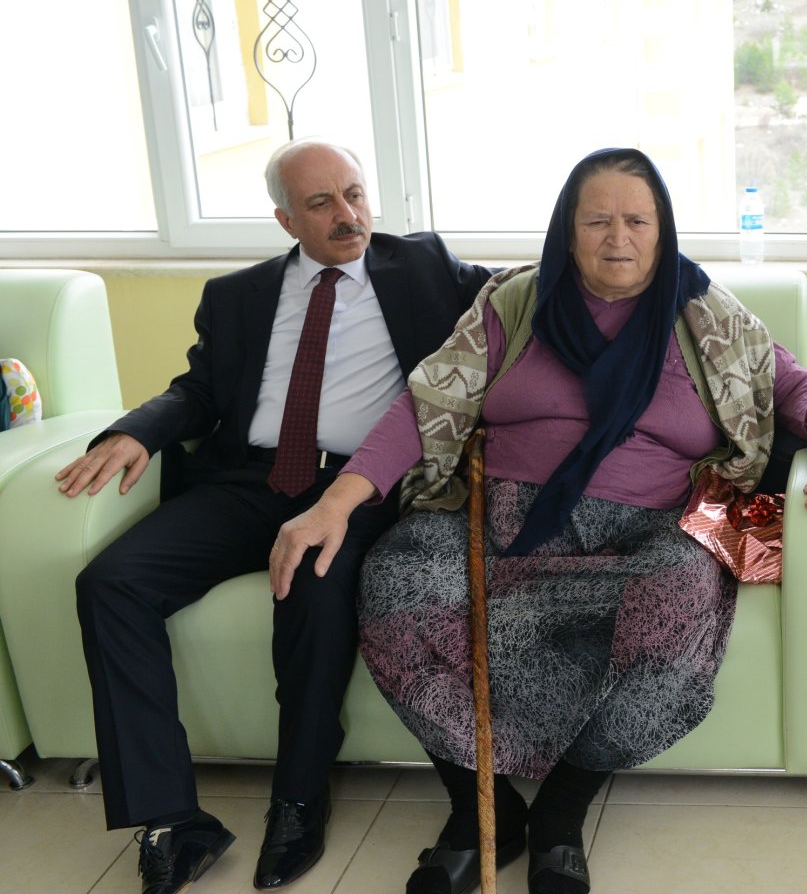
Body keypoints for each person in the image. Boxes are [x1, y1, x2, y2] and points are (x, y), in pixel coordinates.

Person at [272, 147, 807, 894]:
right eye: (597, 220)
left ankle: (561, 813)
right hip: (503, 523)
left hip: (649, 530)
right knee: (396, 578)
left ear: (663, 230)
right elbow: (426, 402)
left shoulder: (704, 314)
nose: (618, 238)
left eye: (638, 220)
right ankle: (480, 808)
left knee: (681, 594)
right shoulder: (515, 303)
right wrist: (336, 501)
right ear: (567, 231)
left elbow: (786, 379)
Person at [63, 140, 491, 894]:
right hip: (246, 480)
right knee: (111, 583)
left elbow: (529, 296)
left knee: (313, 588)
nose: (348, 215)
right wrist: (136, 431)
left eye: (355, 194)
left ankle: (297, 801)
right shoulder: (236, 295)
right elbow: (198, 391)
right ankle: (171, 818)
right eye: (322, 203)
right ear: (286, 219)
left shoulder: (424, 267)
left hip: (354, 484)